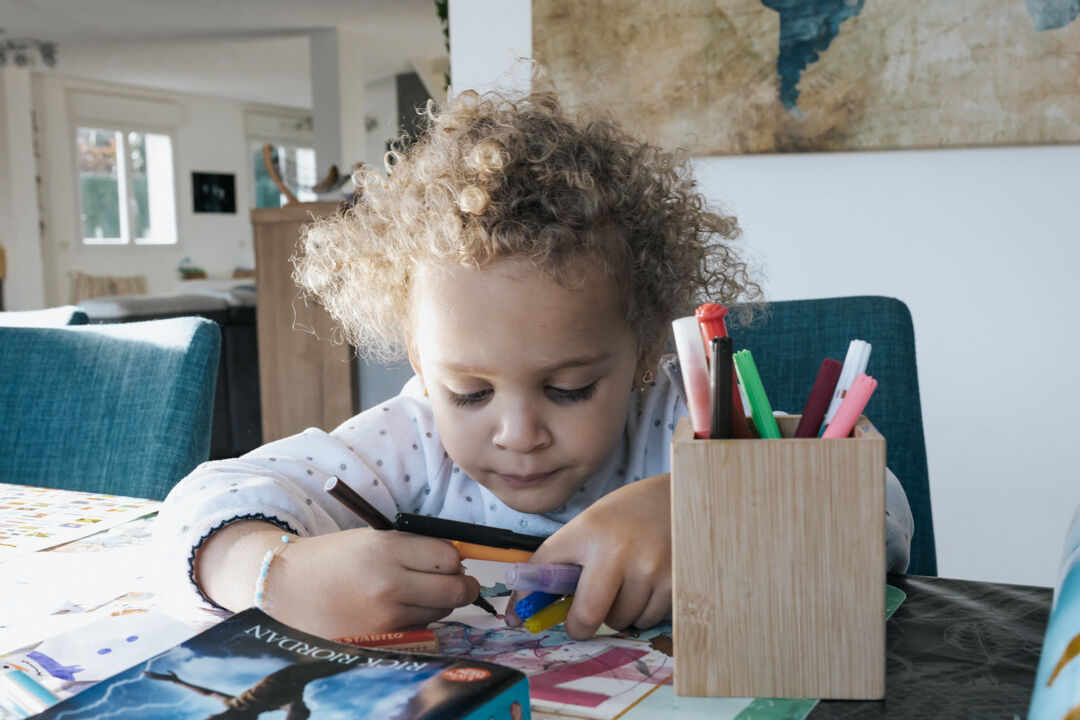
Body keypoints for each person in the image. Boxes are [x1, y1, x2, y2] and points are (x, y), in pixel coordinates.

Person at [152, 88, 913, 642]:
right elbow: (196, 506)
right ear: (421, 361)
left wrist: (707, 506)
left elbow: (881, 511)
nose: (518, 433)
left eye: (569, 387)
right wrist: (275, 575)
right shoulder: (409, 441)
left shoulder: (691, 426)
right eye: (469, 391)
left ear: (646, 348)